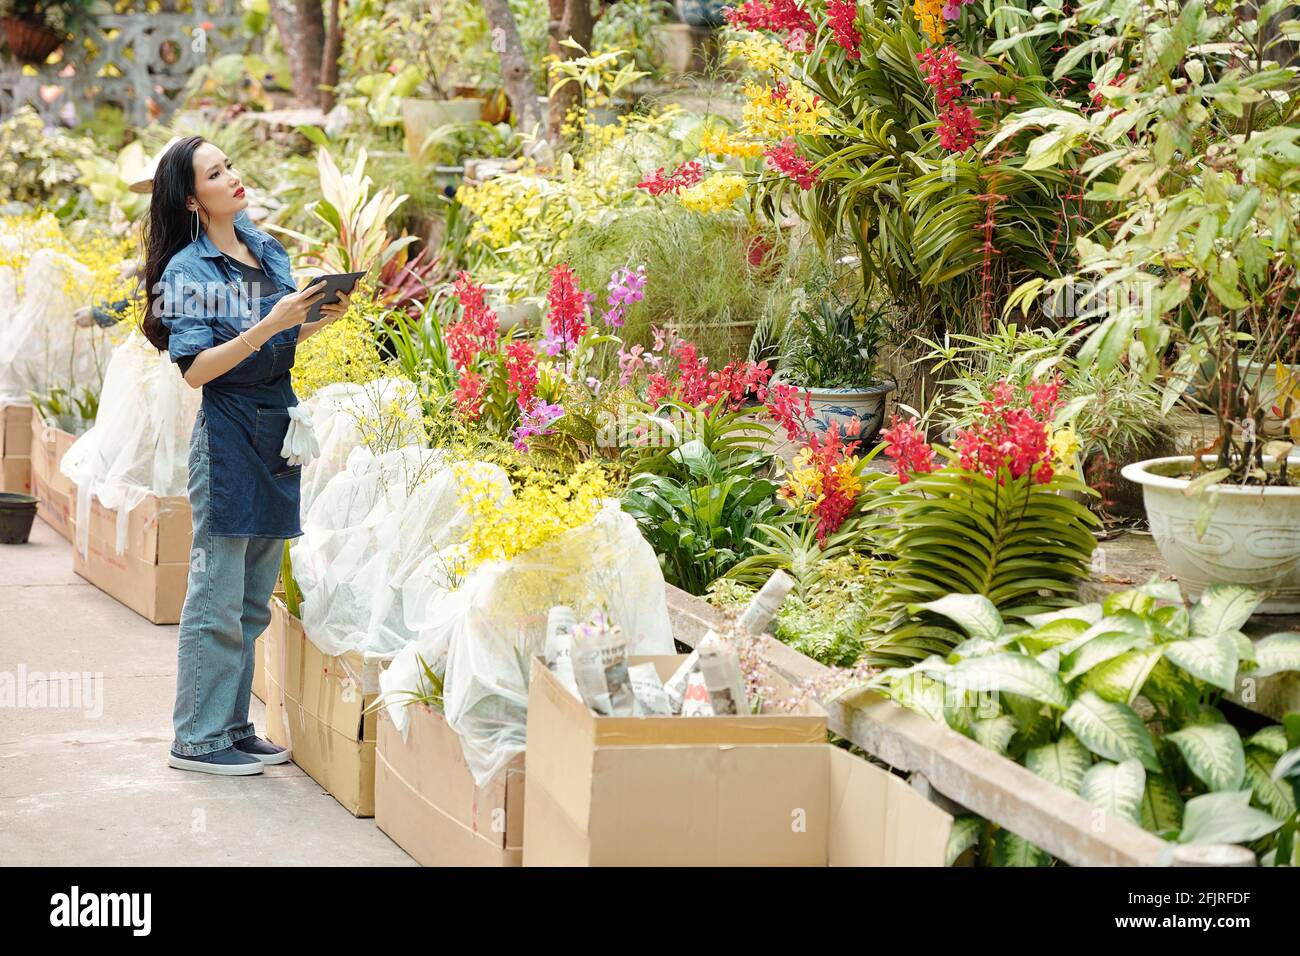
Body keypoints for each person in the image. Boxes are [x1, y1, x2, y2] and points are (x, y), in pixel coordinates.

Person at [139, 135, 352, 776]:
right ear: (190, 198)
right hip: (228, 435)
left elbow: (280, 339)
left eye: (230, 164)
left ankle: (231, 728)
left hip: (277, 430)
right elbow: (197, 370)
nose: (233, 176)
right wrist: (268, 325)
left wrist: (320, 318)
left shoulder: (263, 246)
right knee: (215, 595)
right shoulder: (188, 272)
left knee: (254, 599)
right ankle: (196, 740)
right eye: (215, 172)